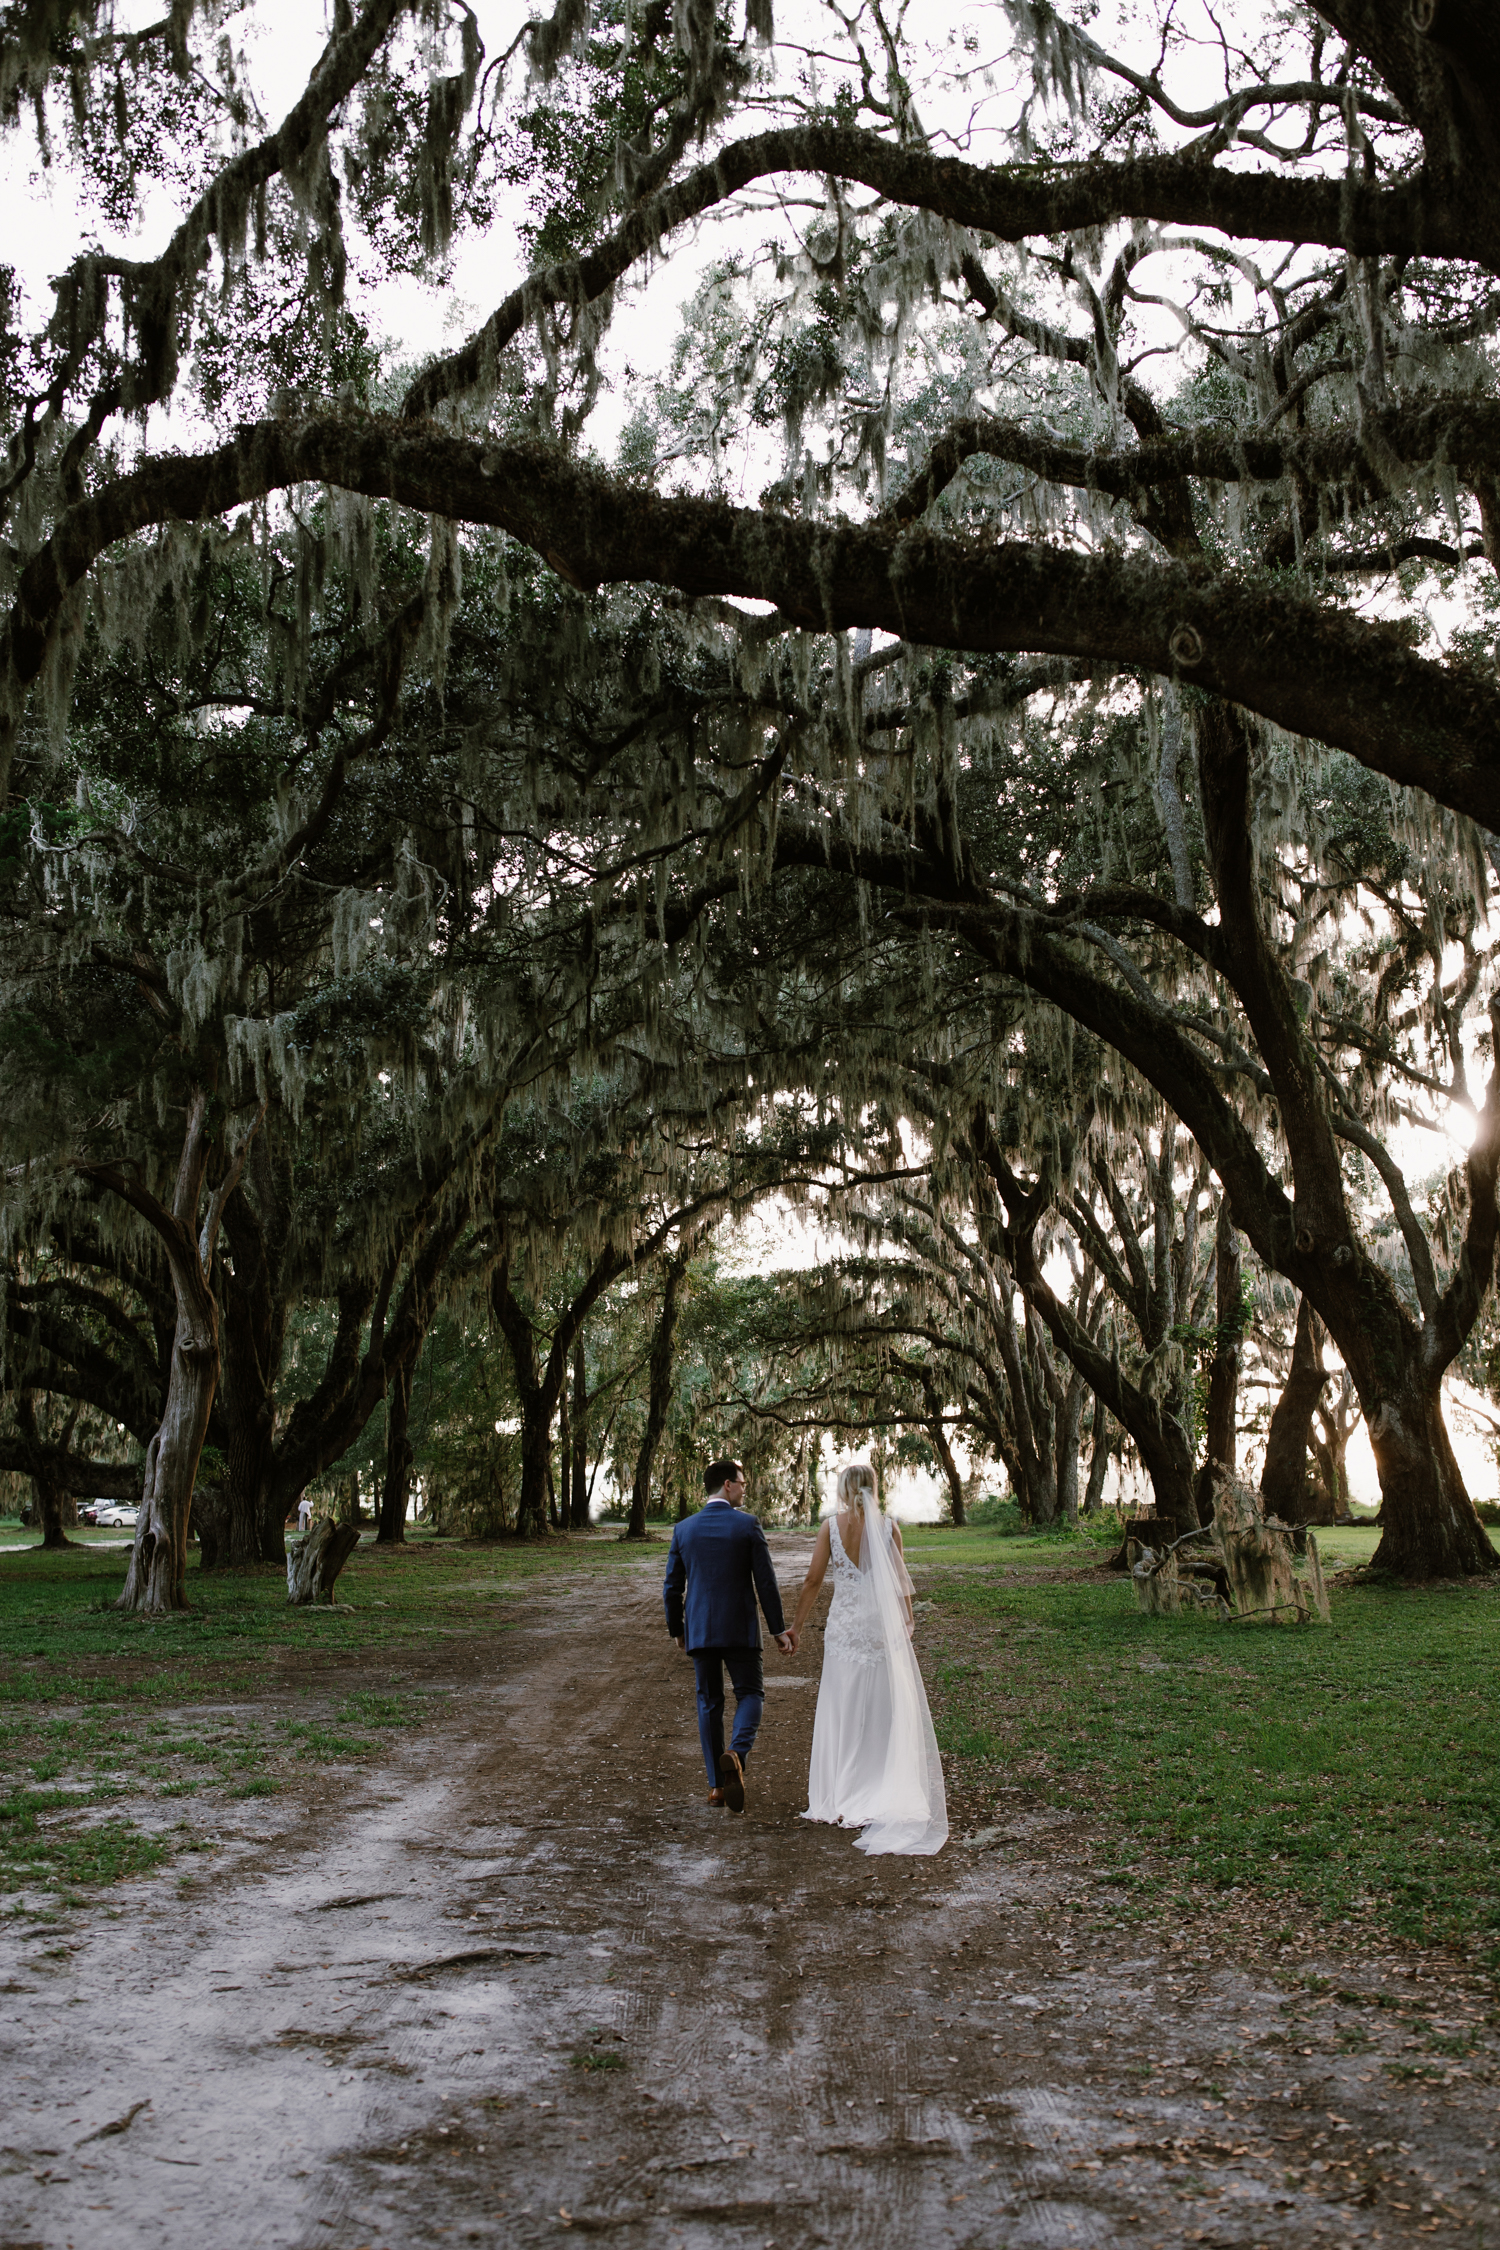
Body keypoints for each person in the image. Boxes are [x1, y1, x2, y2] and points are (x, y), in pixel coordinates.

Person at [786, 1459, 948, 1856]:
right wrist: (907, 1619)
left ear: (843, 1489)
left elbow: (813, 1580)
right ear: (874, 1488)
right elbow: (899, 1576)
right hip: (879, 1626)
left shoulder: (830, 1527)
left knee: (842, 1705)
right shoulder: (889, 1526)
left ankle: (841, 1791)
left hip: (844, 1628)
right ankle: (879, 1787)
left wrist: (797, 1627)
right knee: (880, 1707)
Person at [663, 1458, 793, 1813]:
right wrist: (778, 1629)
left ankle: (717, 1788)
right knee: (750, 1693)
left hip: (701, 1629)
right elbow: (766, 1582)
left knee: (708, 1703)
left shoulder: (683, 1529)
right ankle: (735, 1753)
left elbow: (672, 1587)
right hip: (740, 1629)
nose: (745, 1487)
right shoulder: (748, 1525)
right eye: (742, 1481)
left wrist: (678, 1630)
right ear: (727, 1484)